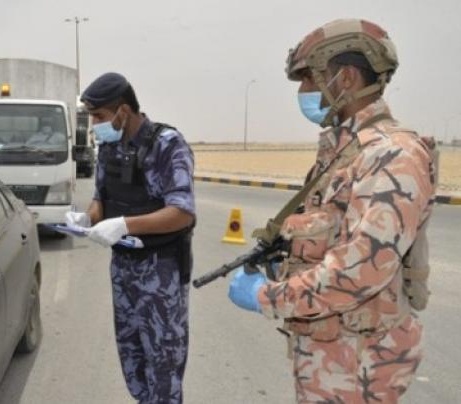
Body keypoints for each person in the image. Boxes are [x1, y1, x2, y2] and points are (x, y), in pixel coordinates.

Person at [227, 19, 437, 403]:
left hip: (360, 364)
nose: (304, 91)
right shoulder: (346, 152)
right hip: (336, 356)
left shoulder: (392, 155)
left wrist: (266, 296)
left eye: (309, 78)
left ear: (346, 78)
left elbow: (360, 270)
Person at [67, 72, 195, 403]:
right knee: (132, 358)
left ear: (123, 111)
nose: (94, 124)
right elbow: (101, 199)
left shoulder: (167, 145)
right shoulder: (109, 147)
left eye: (99, 116)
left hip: (160, 272)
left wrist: (125, 224)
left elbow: (182, 212)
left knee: (163, 364)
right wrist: (87, 217)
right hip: (123, 271)